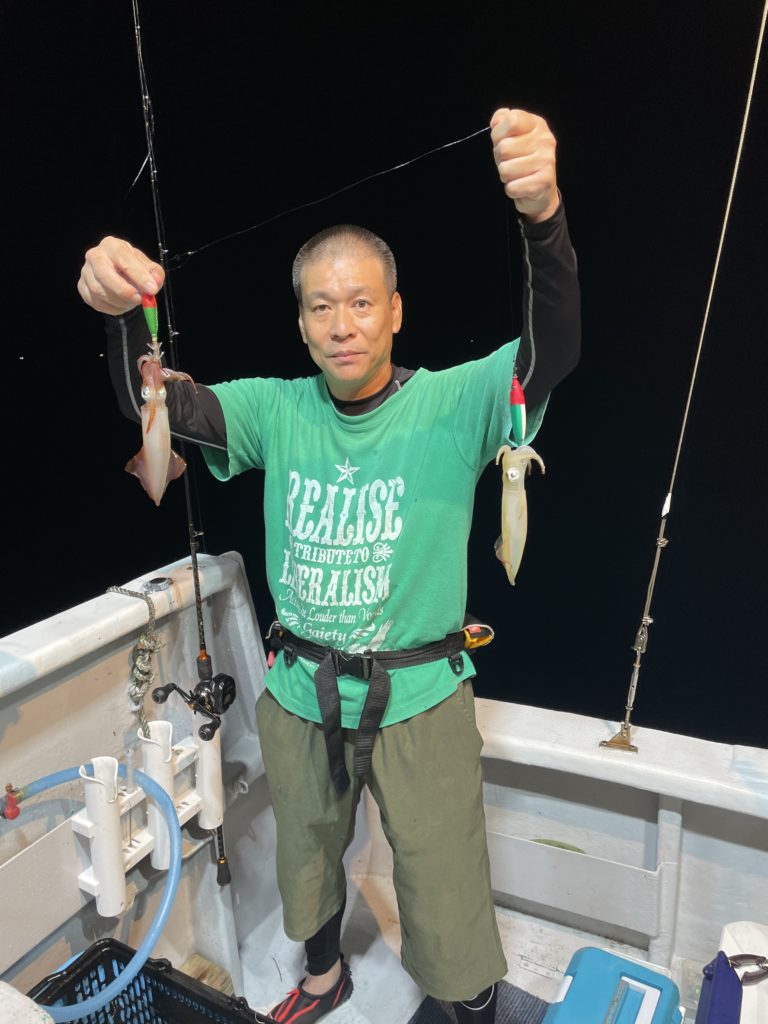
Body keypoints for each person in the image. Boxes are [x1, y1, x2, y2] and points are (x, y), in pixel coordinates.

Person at [78, 108, 580, 1024]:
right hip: (300, 689)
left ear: (395, 311)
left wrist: (543, 220)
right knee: (304, 856)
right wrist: (121, 321)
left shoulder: (455, 403)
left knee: (443, 872)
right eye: (320, 306)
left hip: (420, 693)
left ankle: (470, 1005)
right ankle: (323, 978)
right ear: (302, 325)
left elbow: (553, 349)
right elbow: (153, 410)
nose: (341, 325)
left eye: (360, 302)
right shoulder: (276, 409)